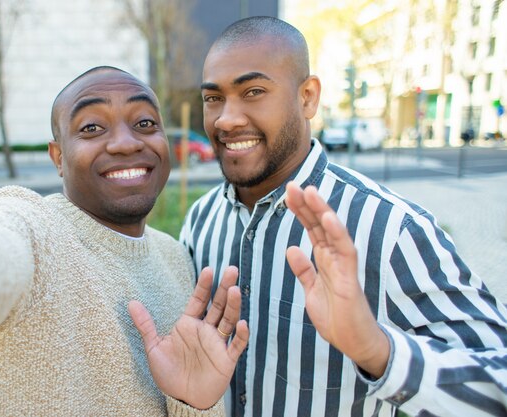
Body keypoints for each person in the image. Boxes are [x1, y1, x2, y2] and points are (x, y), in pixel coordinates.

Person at [0, 8, 250, 411]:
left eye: (144, 123)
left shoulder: (175, 257)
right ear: (58, 157)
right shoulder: (34, 227)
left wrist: (190, 401)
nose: (126, 143)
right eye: (92, 127)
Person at [180, 16, 507, 417]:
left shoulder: (389, 229)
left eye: (253, 91)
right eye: (213, 98)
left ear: (308, 97)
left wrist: (376, 349)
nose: (227, 118)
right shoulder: (201, 218)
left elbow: (499, 385)